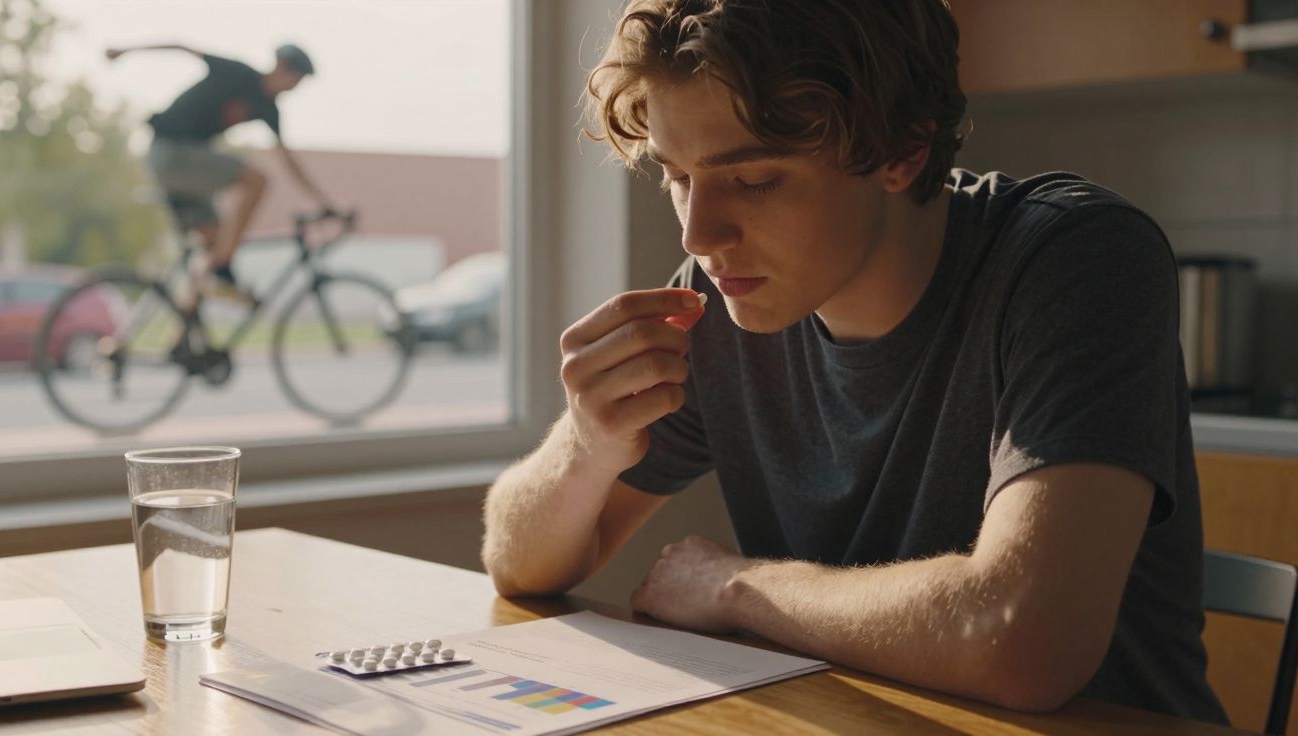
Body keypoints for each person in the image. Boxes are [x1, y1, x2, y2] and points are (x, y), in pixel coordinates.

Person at [482, 0, 1229, 724]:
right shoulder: (723, 300)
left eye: (753, 180)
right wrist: (587, 445)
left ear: (904, 149)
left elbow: (1021, 640)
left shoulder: (1074, 260)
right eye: (678, 177)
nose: (698, 236)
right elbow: (520, 565)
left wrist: (735, 585)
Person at [105, 42, 335, 303]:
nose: (294, 87)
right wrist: (126, 50)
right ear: (281, 66)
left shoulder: (268, 109)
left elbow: (289, 162)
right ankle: (224, 265)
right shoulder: (238, 74)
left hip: (185, 169)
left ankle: (184, 335)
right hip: (171, 151)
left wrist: (324, 202)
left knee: (211, 252)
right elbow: (182, 47)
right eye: (295, 79)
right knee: (257, 182)